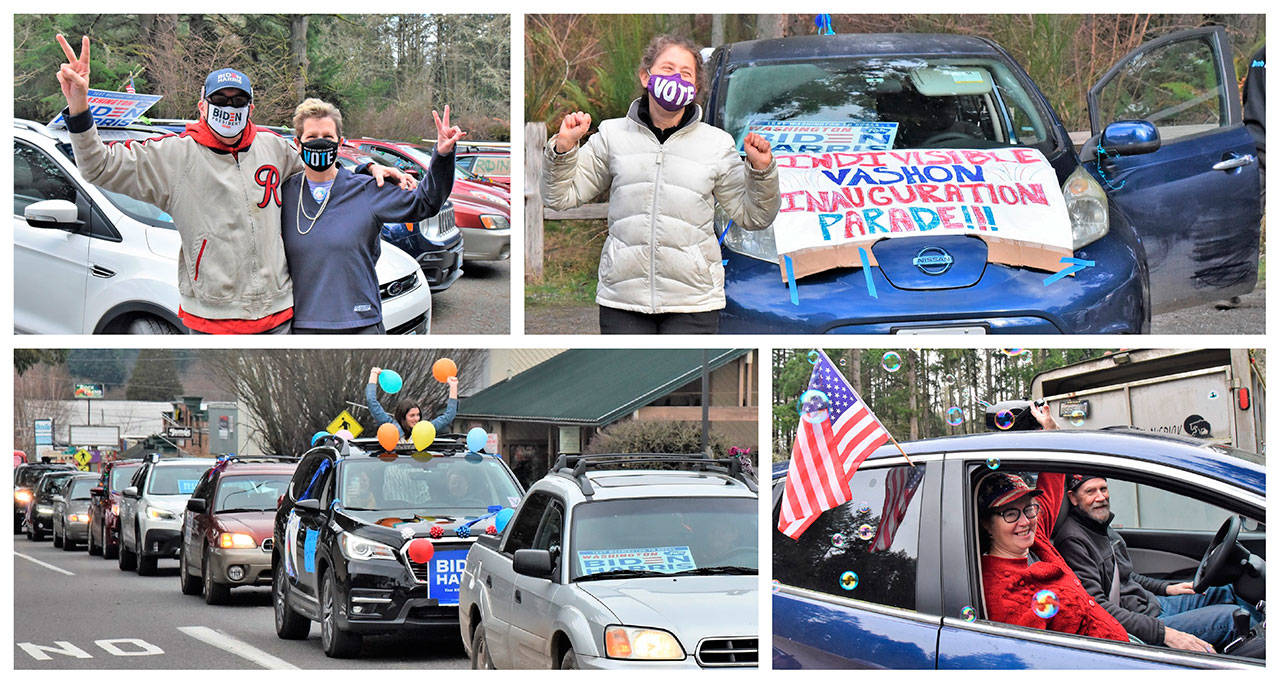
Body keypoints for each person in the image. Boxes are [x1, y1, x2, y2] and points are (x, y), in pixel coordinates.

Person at [54, 34, 412, 334]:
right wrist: (78, 106)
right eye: (220, 100)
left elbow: (318, 166)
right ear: (202, 106)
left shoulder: (273, 147)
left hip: (280, 317)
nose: (230, 107)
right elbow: (99, 166)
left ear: (251, 108)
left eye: (238, 100)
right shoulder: (173, 156)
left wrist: (366, 168)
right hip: (213, 320)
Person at [543, 34, 780, 334]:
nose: (676, 79)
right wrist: (563, 148)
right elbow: (559, 196)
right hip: (623, 301)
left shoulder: (717, 145)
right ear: (646, 76)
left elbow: (755, 215)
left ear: (695, 88)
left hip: (694, 303)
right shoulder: (612, 135)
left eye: (685, 74)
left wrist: (762, 171)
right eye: (667, 69)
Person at [281, 99, 461, 333]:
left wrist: (443, 156)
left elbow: (425, 203)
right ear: (297, 144)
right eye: (311, 137)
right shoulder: (284, 193)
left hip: (361, 323)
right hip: (304, 325)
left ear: (340, 142)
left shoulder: (367, 189)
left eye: (328, 136)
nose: (320, 143)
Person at [1053, 474, 1259, 652]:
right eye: (1091, 491)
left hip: (1150, 605)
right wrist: (1164, 634)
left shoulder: (1100, 526)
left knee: (1224, 590)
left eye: (1103, 489)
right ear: (1073, 498)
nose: (1101, 497)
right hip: (1139, 625)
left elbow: (1127, 575)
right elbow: (1097, 608)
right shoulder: (1073, 540)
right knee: (1231, 619)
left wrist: (1168, 588)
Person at [977, 404, 1129, 641]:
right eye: (1010, 514)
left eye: (1028, 508)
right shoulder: (998, 589)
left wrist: (1050, 429)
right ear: (987, 523)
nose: (1025, 521)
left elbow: (1053, 478)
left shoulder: (1036, 539)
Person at [366, 367, 458, 438]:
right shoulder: (391, 426)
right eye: (412, 415)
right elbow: (371, 402)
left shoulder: (425, 429)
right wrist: (373, 374)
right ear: (403, 416)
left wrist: (453, 386)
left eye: (418, 415)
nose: (416, 419)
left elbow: (448, 416)